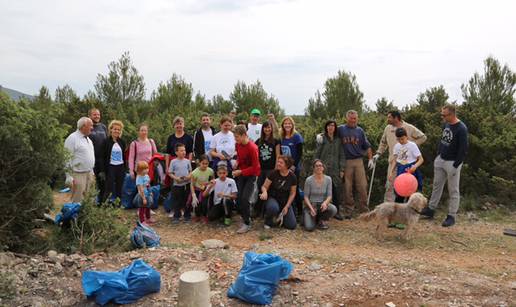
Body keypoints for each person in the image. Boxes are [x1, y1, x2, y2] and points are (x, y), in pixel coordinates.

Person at [421, 104, 468, 227]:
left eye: (444, 115)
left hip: (453, 162)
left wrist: (456, 165)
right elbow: (443, 140)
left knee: (453, 190)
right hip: (441, 159)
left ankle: (451, 216)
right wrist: (438, 155)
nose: (442, 117)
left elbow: (463, 150)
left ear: (452, 114)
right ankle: (431, 210)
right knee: (437, 186)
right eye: (442, 114)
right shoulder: (446, 124)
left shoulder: (461, 128)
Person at [373, 110, 427, 202]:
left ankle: (408, 208)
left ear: (396, 118)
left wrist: (410, 145)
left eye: (389, 117)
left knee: (408, 187)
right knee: (390, 186)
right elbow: (383, 142)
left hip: (409, 165)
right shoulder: (387, 128)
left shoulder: (409, 127)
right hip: (394, 162)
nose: (387, 119)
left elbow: (423, 137)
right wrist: (378, 153)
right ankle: (389, 208)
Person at [338, 110, 373, 218]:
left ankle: (364, 209)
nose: (354, 120)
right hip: (346, 161)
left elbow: (367, 146)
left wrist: (370, 158)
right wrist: (320, 135)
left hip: (358, 161)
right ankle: (349, 209)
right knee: (347, 186)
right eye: (351, 118)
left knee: (362, 186)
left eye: (355, 118)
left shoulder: (360, 130)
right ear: (347, 118)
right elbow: (329, 132)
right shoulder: (341, 129)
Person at [315, 120, 346, 220]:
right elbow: (317, 154)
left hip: (335, 170)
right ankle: (322, 212)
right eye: (329, 125)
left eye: (333, 125)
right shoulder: (322, 139)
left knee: (336, 190)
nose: (331, 127)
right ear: (326, 127)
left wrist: (342, 169)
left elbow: (342, 155)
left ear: (335, 127)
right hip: (323, 169)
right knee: (322, 190)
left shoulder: (338, 140)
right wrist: (316, 167)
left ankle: (337, 212)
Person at [232, 125, 261, 234]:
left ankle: (247, 223)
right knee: (239, 198)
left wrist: (241, 171)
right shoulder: (238, 145)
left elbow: (256, 167)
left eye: (237, 137)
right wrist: (237, 162)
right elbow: (240, 156)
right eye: (235, 137)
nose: (236, 139)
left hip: (252, 175)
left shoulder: (253, 148)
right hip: (242, 174)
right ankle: (245, 217)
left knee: (245, 198)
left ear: (244, 135)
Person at [260, 155, 297, 230]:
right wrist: (264, 192)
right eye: (278, 162)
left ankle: (279, 218)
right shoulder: (273, 173)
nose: (278, 164)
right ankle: (268, 221)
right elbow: (264, 186)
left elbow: (292, 193)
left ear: (287, 165)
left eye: (281, 163)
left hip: (285, 201)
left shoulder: (293, 177)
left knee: (291, 225)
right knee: (273, 208)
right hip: (273, 198)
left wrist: (287, 206)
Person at [64, 117, 95, 203]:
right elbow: (67, 158)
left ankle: (86, 216)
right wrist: (69, 176)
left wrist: (92, 171)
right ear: (83, 126)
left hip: (89, 173)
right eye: (90, 125)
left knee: (89, 199)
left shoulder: (88, 139)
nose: (92, 128)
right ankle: (76, 216)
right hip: (78, 175)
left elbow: (89, 156)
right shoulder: (72, 138)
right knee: (77, 200)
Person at [390, 128, 424, 203]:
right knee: (399, 193)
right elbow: (395, 160)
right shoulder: (396, 146)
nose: (401, 141)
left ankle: (410, 212)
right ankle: (398, 212)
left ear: (406, 137)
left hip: (411, 170)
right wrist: (391, 171)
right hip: (401, 170)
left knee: (411, 194)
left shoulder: (412, 145)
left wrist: (415, 166)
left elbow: (421, 159)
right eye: (398, 139)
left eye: (402, 139)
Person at [255, 121, 281, 216]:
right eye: (265, 127)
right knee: (259, 187)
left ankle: (268, 209)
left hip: (271, 169)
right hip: (261, 169)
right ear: (262, 129)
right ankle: (258, 209)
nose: (267, 129)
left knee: (269, 189)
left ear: (272, 128)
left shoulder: (276, 141)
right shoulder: (259, 141)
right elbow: (256, 155)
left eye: (269, 127)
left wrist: (275, 168)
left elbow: (278, 155)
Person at [303, 160, 337, 231]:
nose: (319, 167)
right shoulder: (309, 180)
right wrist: (311, 208)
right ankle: (309, 217)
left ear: (323, 168)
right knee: (309, 228)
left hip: (322, 205)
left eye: (320, 165)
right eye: (316, 166)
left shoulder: (328, 179)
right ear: (314, 168)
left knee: (333, 209)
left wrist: (325, 203)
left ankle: (321, 219)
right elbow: (305, 197)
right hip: (311, 205)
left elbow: (329, 195)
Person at [279, 116, 304, 215]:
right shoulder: (281, 137)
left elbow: (300, 153)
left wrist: (294, 165)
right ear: (283, 125)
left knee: (295, 189)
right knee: (285, 189)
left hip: (294, 168)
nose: (287, 125)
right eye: (285, 123)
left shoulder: (296, 136)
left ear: (292, 125)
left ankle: (300, 211)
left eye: (289, 123)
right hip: (284, 168)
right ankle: (289, 210)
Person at [102, 120, 126, 203]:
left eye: (119, 129)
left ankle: (118, 204)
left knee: (119, 187)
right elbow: (103, 156)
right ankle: (105, 205)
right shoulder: (106, 141)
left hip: (120, 167)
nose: (117, 131)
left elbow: (124, 156)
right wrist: (103, 170)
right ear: (111, 129)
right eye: (115, 129)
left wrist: (125, 168)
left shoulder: (122, 142)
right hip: (110, 167)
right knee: (109, 188)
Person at [168, 143, 193, 223]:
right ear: (176, 152)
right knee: (177, 201)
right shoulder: (173, 162)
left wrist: (189, 176)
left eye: (184, 150)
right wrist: (176, 178)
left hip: (186, 184)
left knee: (187, 200)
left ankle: (187, 216)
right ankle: (176, 216)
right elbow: (170, 173)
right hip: (177, 185)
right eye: (181, 150)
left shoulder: (187, 161)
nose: (184, 152)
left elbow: (191, 171)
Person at [88, 108, 108, 202]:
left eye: (98, 114)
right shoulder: (88, 127)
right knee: (91, 183)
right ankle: (90, 204)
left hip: (102, 160)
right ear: (90, 116)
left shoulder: (103, 127)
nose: (97, 116)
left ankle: (101, 203)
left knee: (103, 182)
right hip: (91, 160)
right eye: (94, 114)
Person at [190, 154, 214, 223]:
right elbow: (192, 184)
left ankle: (204, 216)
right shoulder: (194, 172)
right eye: (203, 163)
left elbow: (213, 179)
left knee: (205, 203)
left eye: (206, 164)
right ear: (199, 163)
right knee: (197, 204)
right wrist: (193, 194)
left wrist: (210, 184)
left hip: (206, 190)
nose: (205, 165)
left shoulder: (210, 171)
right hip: (197, 190)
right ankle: (197, 216)